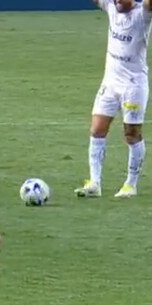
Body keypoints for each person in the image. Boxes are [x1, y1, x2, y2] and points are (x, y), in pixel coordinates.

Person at [76, 0, 152, 198]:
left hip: (133, 85)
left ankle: (131, 184)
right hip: (110, 83)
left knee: (131, 134)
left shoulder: (142, 14)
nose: (117, 1)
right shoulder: (111, 7)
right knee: (97, 129)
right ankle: (95, 183)